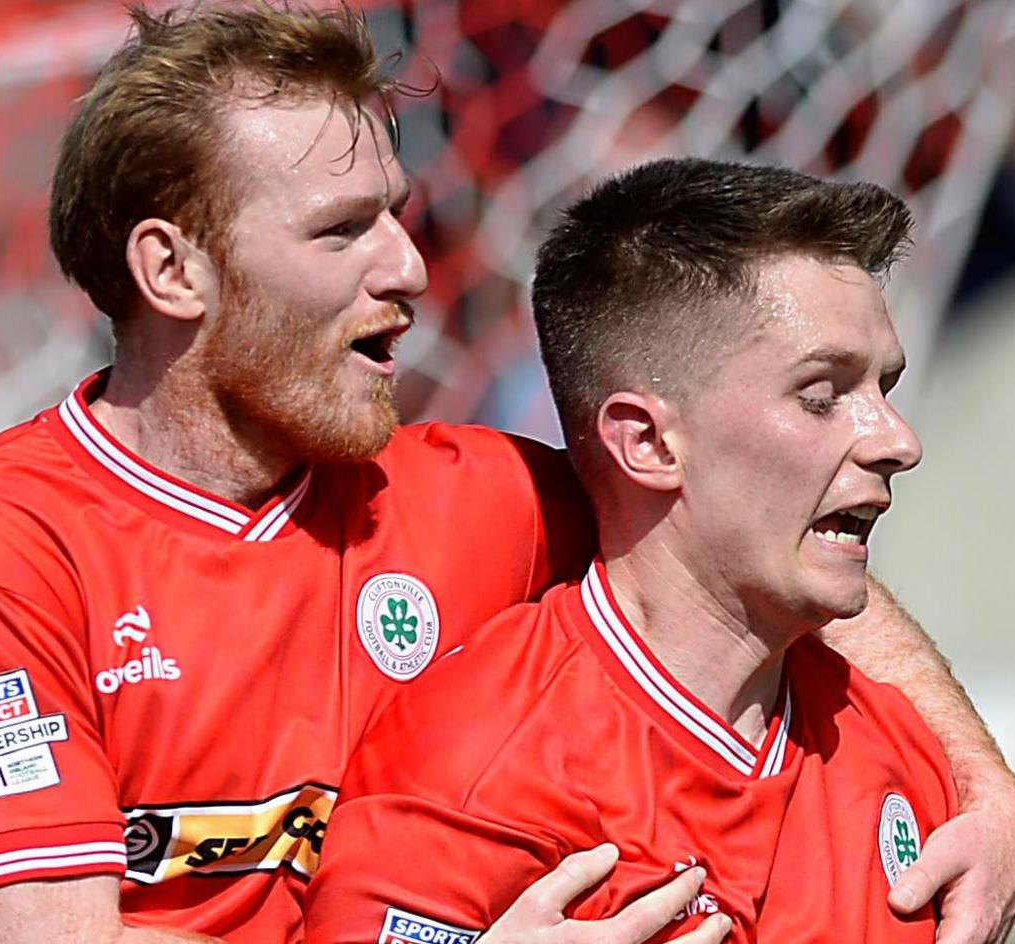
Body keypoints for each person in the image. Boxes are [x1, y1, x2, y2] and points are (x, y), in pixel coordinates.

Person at [0, 5, 1015, 944]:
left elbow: (746, 538)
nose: (408, 264)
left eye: (398, 215)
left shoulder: (464, 496)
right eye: (341, 230)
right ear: (170, 270)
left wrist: (984, 786)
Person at [306, 158, 963, 944]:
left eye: (885, 389)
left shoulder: (896, 746)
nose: (898, 441)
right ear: (648, 443)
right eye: (822, 395)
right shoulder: (477, 768)